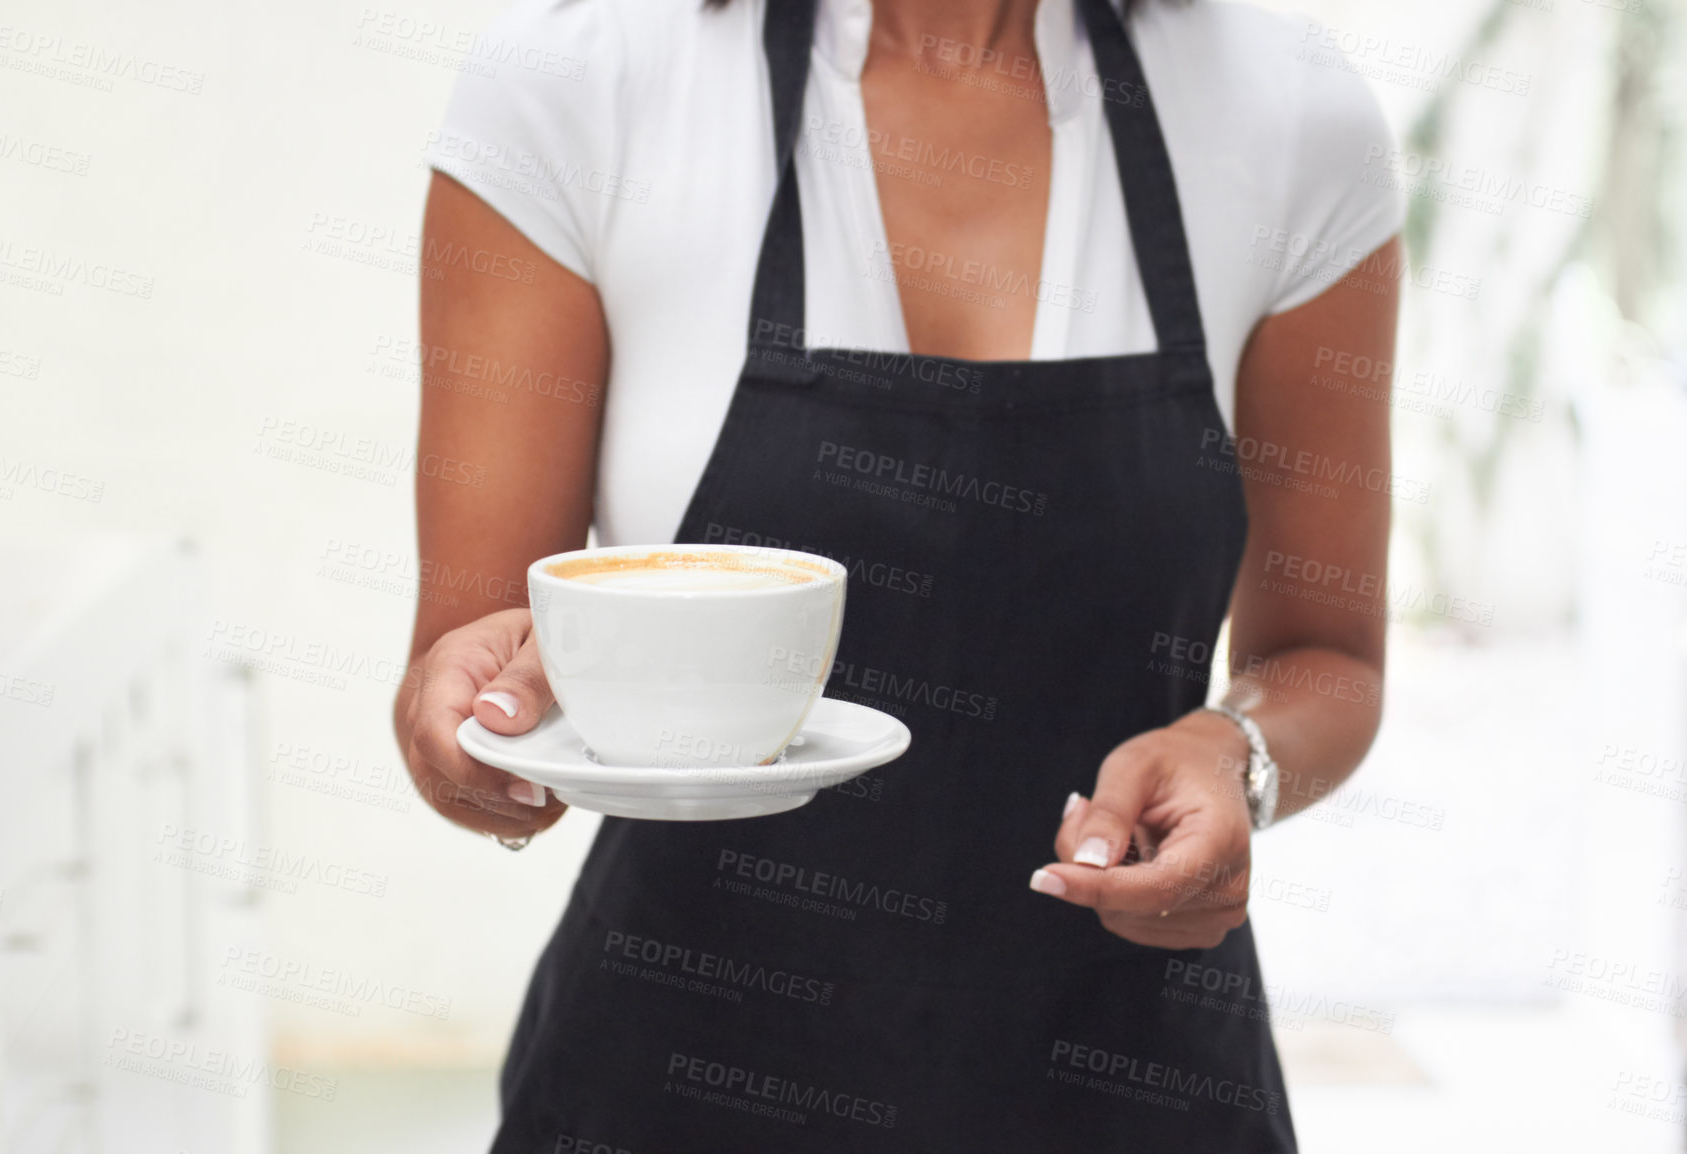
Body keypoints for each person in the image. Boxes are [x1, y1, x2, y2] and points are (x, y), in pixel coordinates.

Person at [394, 0, 1401, 1147]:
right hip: (675, 1079)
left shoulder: (1288, 114)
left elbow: (1327, 657)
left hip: (1135, 1084)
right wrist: (479, 733)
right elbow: (461, 668)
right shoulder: (576, 86)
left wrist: (1239, 755)